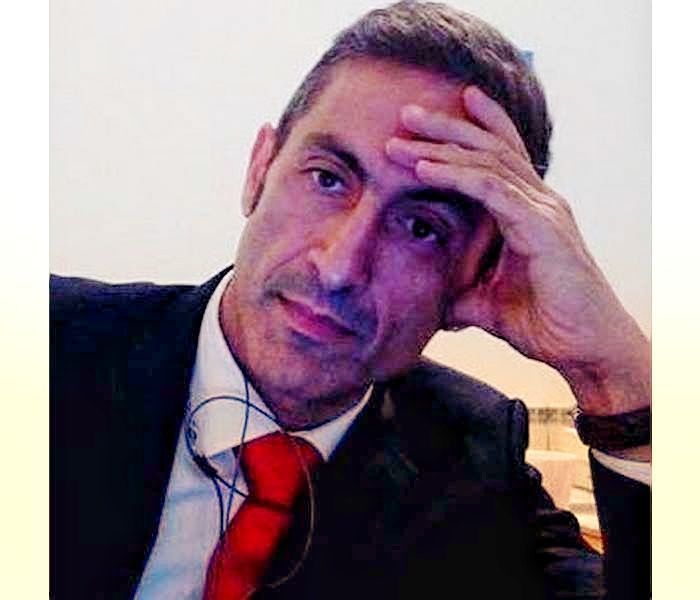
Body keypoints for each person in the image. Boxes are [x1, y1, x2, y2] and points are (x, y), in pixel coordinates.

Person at [50, 2, 650, 599]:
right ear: (260, 169)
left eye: (421, 228)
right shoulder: (45, 344)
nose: (338, 267)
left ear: (477, 271)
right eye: (328, 179)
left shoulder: (471, 457)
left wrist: (615, 374)